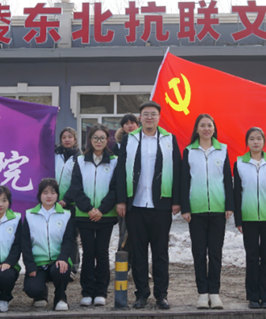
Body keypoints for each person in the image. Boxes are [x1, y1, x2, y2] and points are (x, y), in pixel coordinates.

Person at [116, 101, 181, 310]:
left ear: (159, 118)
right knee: (138, 253)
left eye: (153, 114)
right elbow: (121, 171)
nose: (150, 117)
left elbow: (177, 170)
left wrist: (176, 200)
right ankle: (141, 293)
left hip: (161, 205)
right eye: (146, 114)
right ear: (140, 118)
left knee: (160, 253)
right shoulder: (130, 139)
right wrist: (121, 200)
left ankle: (161, 294)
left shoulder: (169, 139)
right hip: (135, 204)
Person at [180, 114, 233, 309]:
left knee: (216, 253)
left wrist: (229, 205)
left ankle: (215, 293)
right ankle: (202, 293)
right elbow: (184, 180)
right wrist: (185, 208)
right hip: (196, 210)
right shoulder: (189, 151)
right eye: (202, 125)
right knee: (199, 252)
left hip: (218, 209)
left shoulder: (223, 150)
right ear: (197, 129)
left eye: (209, 125)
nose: (206, 129)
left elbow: (227, 179)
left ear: (214, 128)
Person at [66, 123, 119, 307]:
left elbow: (115, 189)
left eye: (102, 138)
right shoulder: (80, 161)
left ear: (107, 140)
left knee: (102, 253)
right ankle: (87, 292)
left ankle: (101, 292)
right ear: (90, 140)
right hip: (84, 215)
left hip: (106, 215)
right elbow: (76, 188)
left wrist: (101, 210)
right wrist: (89, 209)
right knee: (88, 253)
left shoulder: (114, 161)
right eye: (95, 138)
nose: (99, 141)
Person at [233, 126, 266, 309]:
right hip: (248, 218)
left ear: (264, 142)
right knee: (252, 257)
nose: (255, 142)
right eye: (252, 139)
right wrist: (238, 219)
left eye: (259, 139)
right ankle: (253, 297)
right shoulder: (239, 163)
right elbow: (237, 193)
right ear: (247, 142)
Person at [22, 178, 76, 311]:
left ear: (57, 195)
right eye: (45, 192)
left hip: (57, 261)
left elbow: (69, 240)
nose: (49, 196)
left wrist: (63, 257)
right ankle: (40, 295)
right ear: (39, 194)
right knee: (32, 289)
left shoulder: (66, 215)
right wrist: (30, 265)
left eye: (52, 192)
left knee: (61, 269)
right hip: (38, 262)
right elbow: (25, 243)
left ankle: (60, 297)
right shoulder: (30, 215)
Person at [55, 127, 81, 273]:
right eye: (64, 137)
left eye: (69, 137)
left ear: (75, 139)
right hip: (52, 202)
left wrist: (66, 199)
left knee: (71, 235)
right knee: (55, 235)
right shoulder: (54, 154)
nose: (66, 139)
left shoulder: (79, 157)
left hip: (70, 203)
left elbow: (78, 182)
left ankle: (73, 266)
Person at [114, 113, 138, 258]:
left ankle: (137, 262)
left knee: (138, 233)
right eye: (126, 123)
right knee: (124, 231)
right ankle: (123, 262)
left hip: (139, 194)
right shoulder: (117, 145)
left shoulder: (143, 141)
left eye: (132, 123)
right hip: (124, 194)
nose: (130, 126)